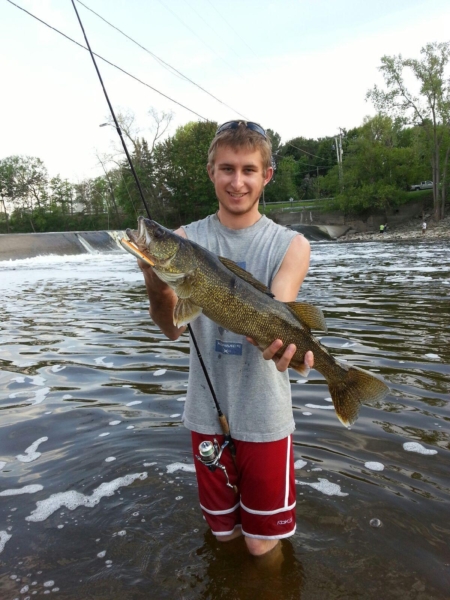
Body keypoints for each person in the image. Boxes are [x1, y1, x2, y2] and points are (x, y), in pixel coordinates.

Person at [138, 121, 313, 561]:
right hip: (205, 414)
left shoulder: (291, 245)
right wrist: (157, 287)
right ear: (211, 171)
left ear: (266, 175)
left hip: (264, 414)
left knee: (260, 543)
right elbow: (172, 327)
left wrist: (287, 351)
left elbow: (277, 313)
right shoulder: (183, 240)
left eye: (249, 170)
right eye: (227, 169)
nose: (238, 182)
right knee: (223, 537)